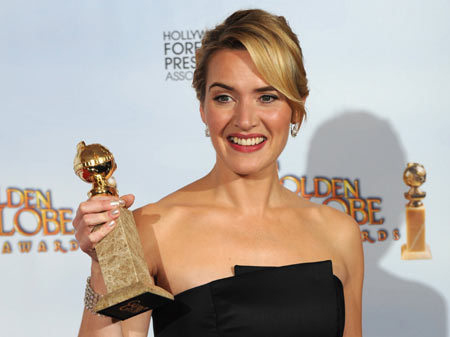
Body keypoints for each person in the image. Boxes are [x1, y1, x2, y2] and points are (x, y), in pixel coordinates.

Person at [74, 9, 363, 337]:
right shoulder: (152, 229)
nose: (244, 120)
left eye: (266, 97)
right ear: (203, 108)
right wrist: (103, 266)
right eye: (224, 97)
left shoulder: (339, 234)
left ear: (296, 109)